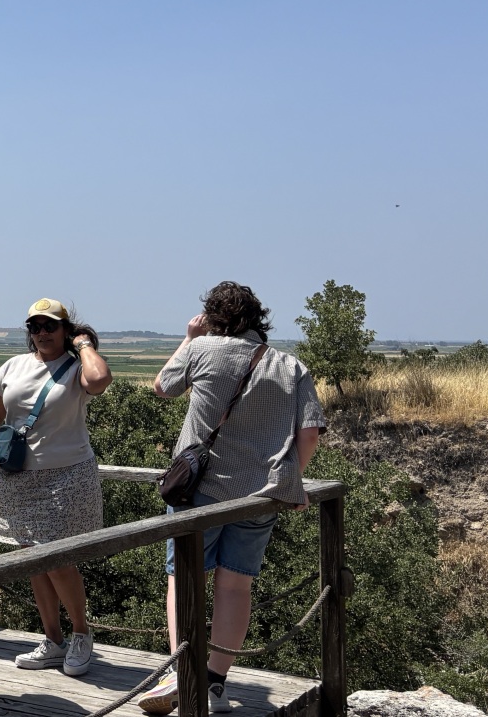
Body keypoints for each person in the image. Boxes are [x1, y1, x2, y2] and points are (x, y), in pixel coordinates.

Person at [137, 282, 325, 716]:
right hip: (261, 496)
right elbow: (310, 434)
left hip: (197, 491)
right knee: (236, 585)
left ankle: (182, 673)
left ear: (212, 318)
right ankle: (215, 682)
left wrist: (189, 337)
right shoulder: (290, 366)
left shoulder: (202, 349)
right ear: (258, 318)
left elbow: (163, 387)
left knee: (183, 578)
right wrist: (293, 482)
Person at [0, 298, 113, 678]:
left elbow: (99, 380)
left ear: (66, 330)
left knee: (58, 560)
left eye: (50, 326)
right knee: (34, 561)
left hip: (66, 477)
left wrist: (84, 344)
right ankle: (53, 640)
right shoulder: (14, 366)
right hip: (18, 476)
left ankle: (81, 634)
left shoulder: (77, 366)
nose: (41, 333)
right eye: (35, 326)